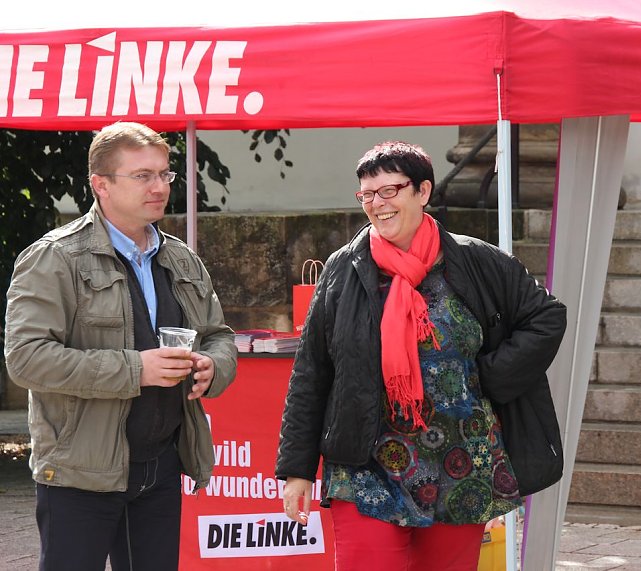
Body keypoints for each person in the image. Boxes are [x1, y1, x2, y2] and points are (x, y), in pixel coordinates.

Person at [275, 141, 566, 570]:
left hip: (460, 461)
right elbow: (312, 371)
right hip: (366, 463)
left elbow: (547, 318)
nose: (378, 204)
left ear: (423, 191)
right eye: (368, 194)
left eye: (390, 190)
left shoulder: (476, 260)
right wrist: (296, 469)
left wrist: (489, 377)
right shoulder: (344, 269)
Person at [4, 121, 237, 571]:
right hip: (79, 473)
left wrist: (213, 365)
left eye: (165, 174)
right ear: (101, 184)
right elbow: (26, 359)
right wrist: (136, 370)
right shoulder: (54, 258)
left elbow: (218, 335)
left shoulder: (180, 257)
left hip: (160, 466)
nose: (159, 186)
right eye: (142, 175)